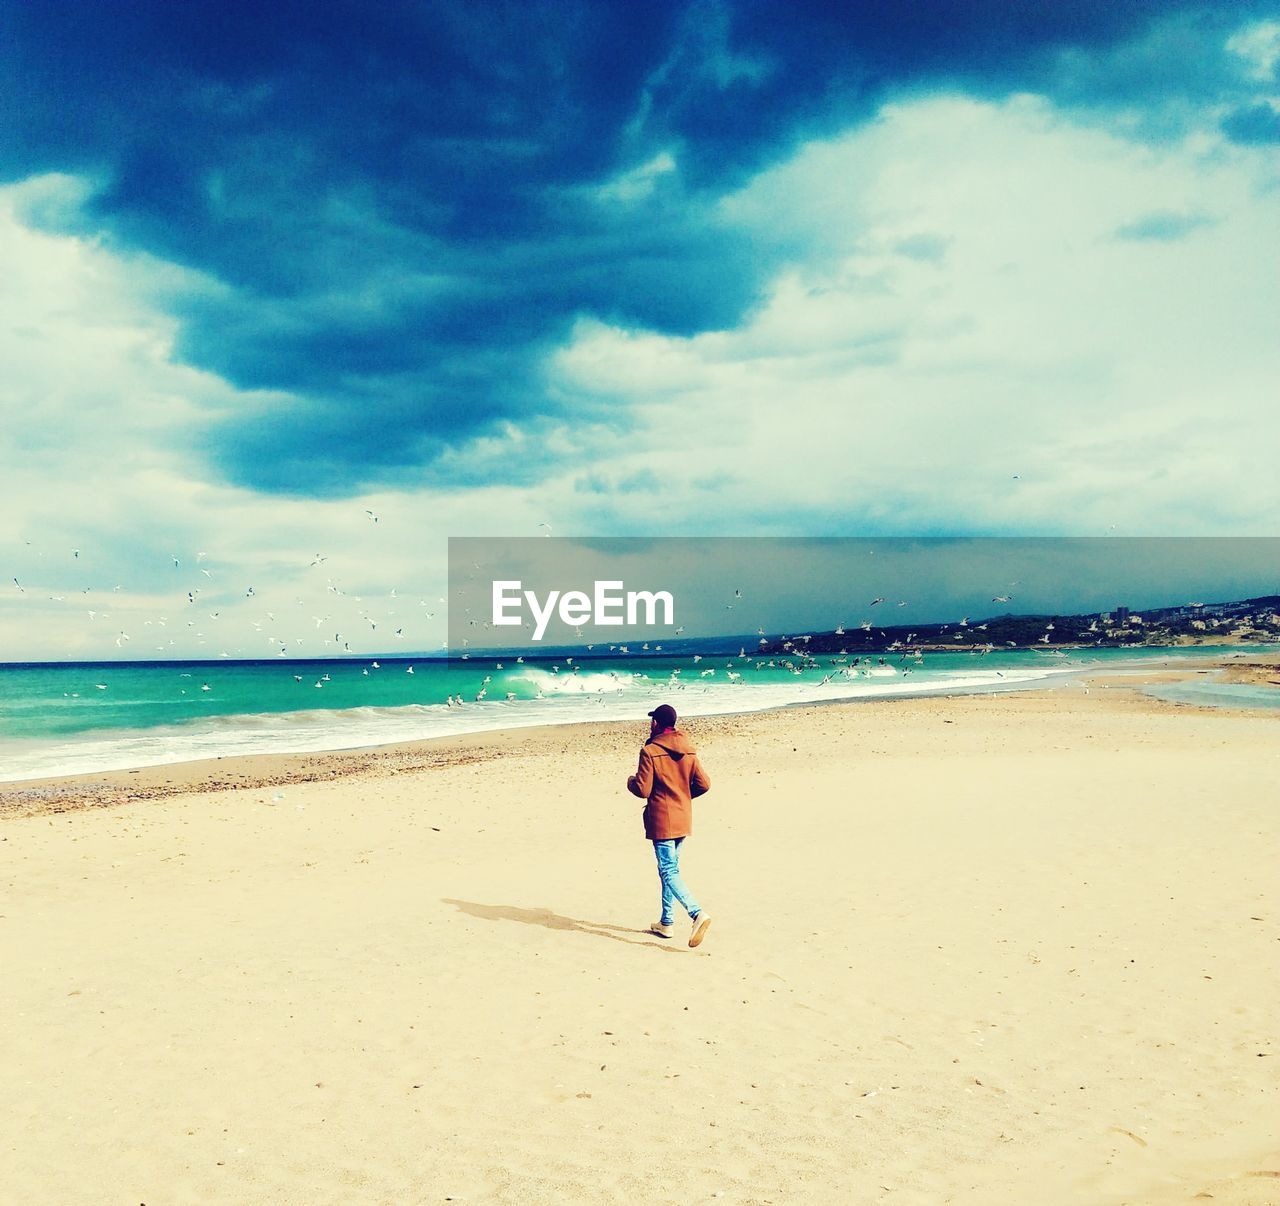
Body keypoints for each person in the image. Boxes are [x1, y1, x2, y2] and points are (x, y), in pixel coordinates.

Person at [626, 703, 712, 947]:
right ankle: (666, 922)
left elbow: (642, 789)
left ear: (656, 723)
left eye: (652, 720)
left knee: (668, 871)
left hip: (663, 819)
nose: (649, 724)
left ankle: (697, 913)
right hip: (682, 817)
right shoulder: (688, 749)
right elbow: (703, 784)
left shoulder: (650, 752)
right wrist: (683, 796)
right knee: (670, 869)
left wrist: (630, 781)